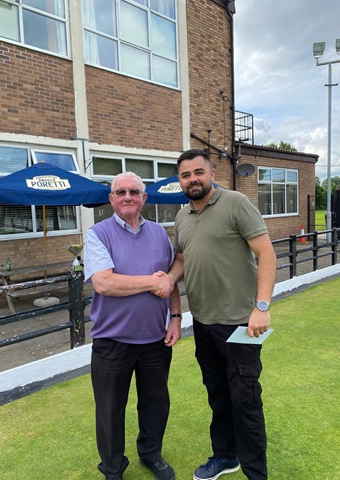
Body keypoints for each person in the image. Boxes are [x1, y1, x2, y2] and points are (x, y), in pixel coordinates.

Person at [155, 149, 276, 480]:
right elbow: (182, 258)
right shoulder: (182, 217)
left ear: (211, 173)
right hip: (204, 323)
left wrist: (262, 306)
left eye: (198, 172)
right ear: (179, 180)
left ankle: (256, 473)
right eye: (185, 175)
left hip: (240, 323)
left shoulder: (235, 203)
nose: (192, 179)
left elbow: (266, 254)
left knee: (245, 400)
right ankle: (225, 456)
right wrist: (168, 279)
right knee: (218, 395)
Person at [84, 172, 181, 480]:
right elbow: (104, 282)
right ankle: (113, 468)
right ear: (111, 199)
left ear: (144, 198)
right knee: (110, 411)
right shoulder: (97, 234)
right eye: (120, 192)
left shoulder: (159, 234)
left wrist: (176, 318)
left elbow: (172, 283)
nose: (128, 196)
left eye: (134, 191)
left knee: (155, 404)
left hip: (155, 340)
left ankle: (151, 454)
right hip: (112, 343)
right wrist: (155, 282)